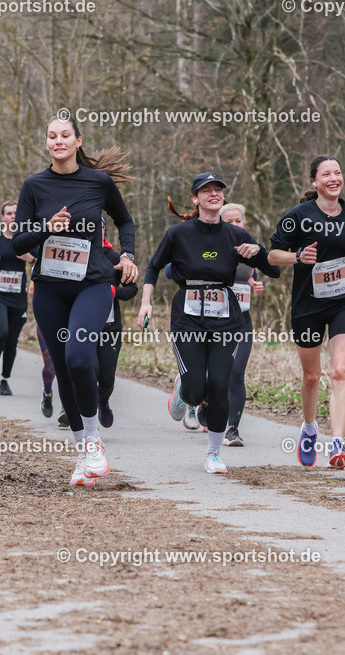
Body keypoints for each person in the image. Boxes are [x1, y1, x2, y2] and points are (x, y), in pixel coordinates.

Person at [12, 114, 137, 487]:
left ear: (78, 141)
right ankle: (82, 450)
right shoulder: (34, 186)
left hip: (93, 281)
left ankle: (94, 440)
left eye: (65, 135)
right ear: (47, 144)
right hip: (50, 286)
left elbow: (124, 220)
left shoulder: (98, 182)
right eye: (52, 136)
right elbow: (18, 243)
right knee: (64, 369)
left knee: (80, 357)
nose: (58, 140)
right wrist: (45, 228)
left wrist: (127, 255)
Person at [137, 172, 279, 474]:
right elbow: (152, 266)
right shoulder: (179, 233)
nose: (214, 194)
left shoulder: (236, 235)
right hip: (187, 318)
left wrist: (260, 252)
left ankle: (213, 453)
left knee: (219, 385)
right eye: (206, 190)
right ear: (195, 198)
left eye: (218, 190)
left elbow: (273, 271)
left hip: (226, 319)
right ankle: (183, 392)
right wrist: (146, 302)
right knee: (196, 389)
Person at [267, 155, 345, 469]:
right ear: (315, 181)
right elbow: (272, 255)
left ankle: (338, 444)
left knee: (340, 371)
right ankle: (309, 428)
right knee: (312, 376)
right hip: (308, 305)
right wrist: (298, 256)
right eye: (327, 174)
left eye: (338, 172)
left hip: (344, 301)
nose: (334, 178)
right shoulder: (298, 216)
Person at [219, 203, 267, 447]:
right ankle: (197, 397)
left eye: (239, 221)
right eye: (229, 221)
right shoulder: (210, 244)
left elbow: (251, 278)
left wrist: (254, 285)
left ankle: (232, 429)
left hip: (242, 321)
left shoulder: (252, 249)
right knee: (213, 376)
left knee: (236, 372)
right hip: (212, 321)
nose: (235, 225)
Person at [0, 202, 37, 396]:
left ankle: (5, 380)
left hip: (18, 297)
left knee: (12, 341)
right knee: (1, 332)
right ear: (2, 217)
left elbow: (39, 259)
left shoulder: (27, 238)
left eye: (16, 213)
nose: (13, 216)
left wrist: (30, 259)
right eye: (9, 213)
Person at [96, 221, 138, 428]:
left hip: (110, 326)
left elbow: (132, 289)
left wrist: (114, 292)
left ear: (105, 230)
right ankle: (73, 406)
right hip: (82, 327)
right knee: (87, 369)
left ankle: (102, 402)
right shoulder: (77, 256)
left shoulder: (114, 258)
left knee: (106, 379)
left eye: (100, 226)